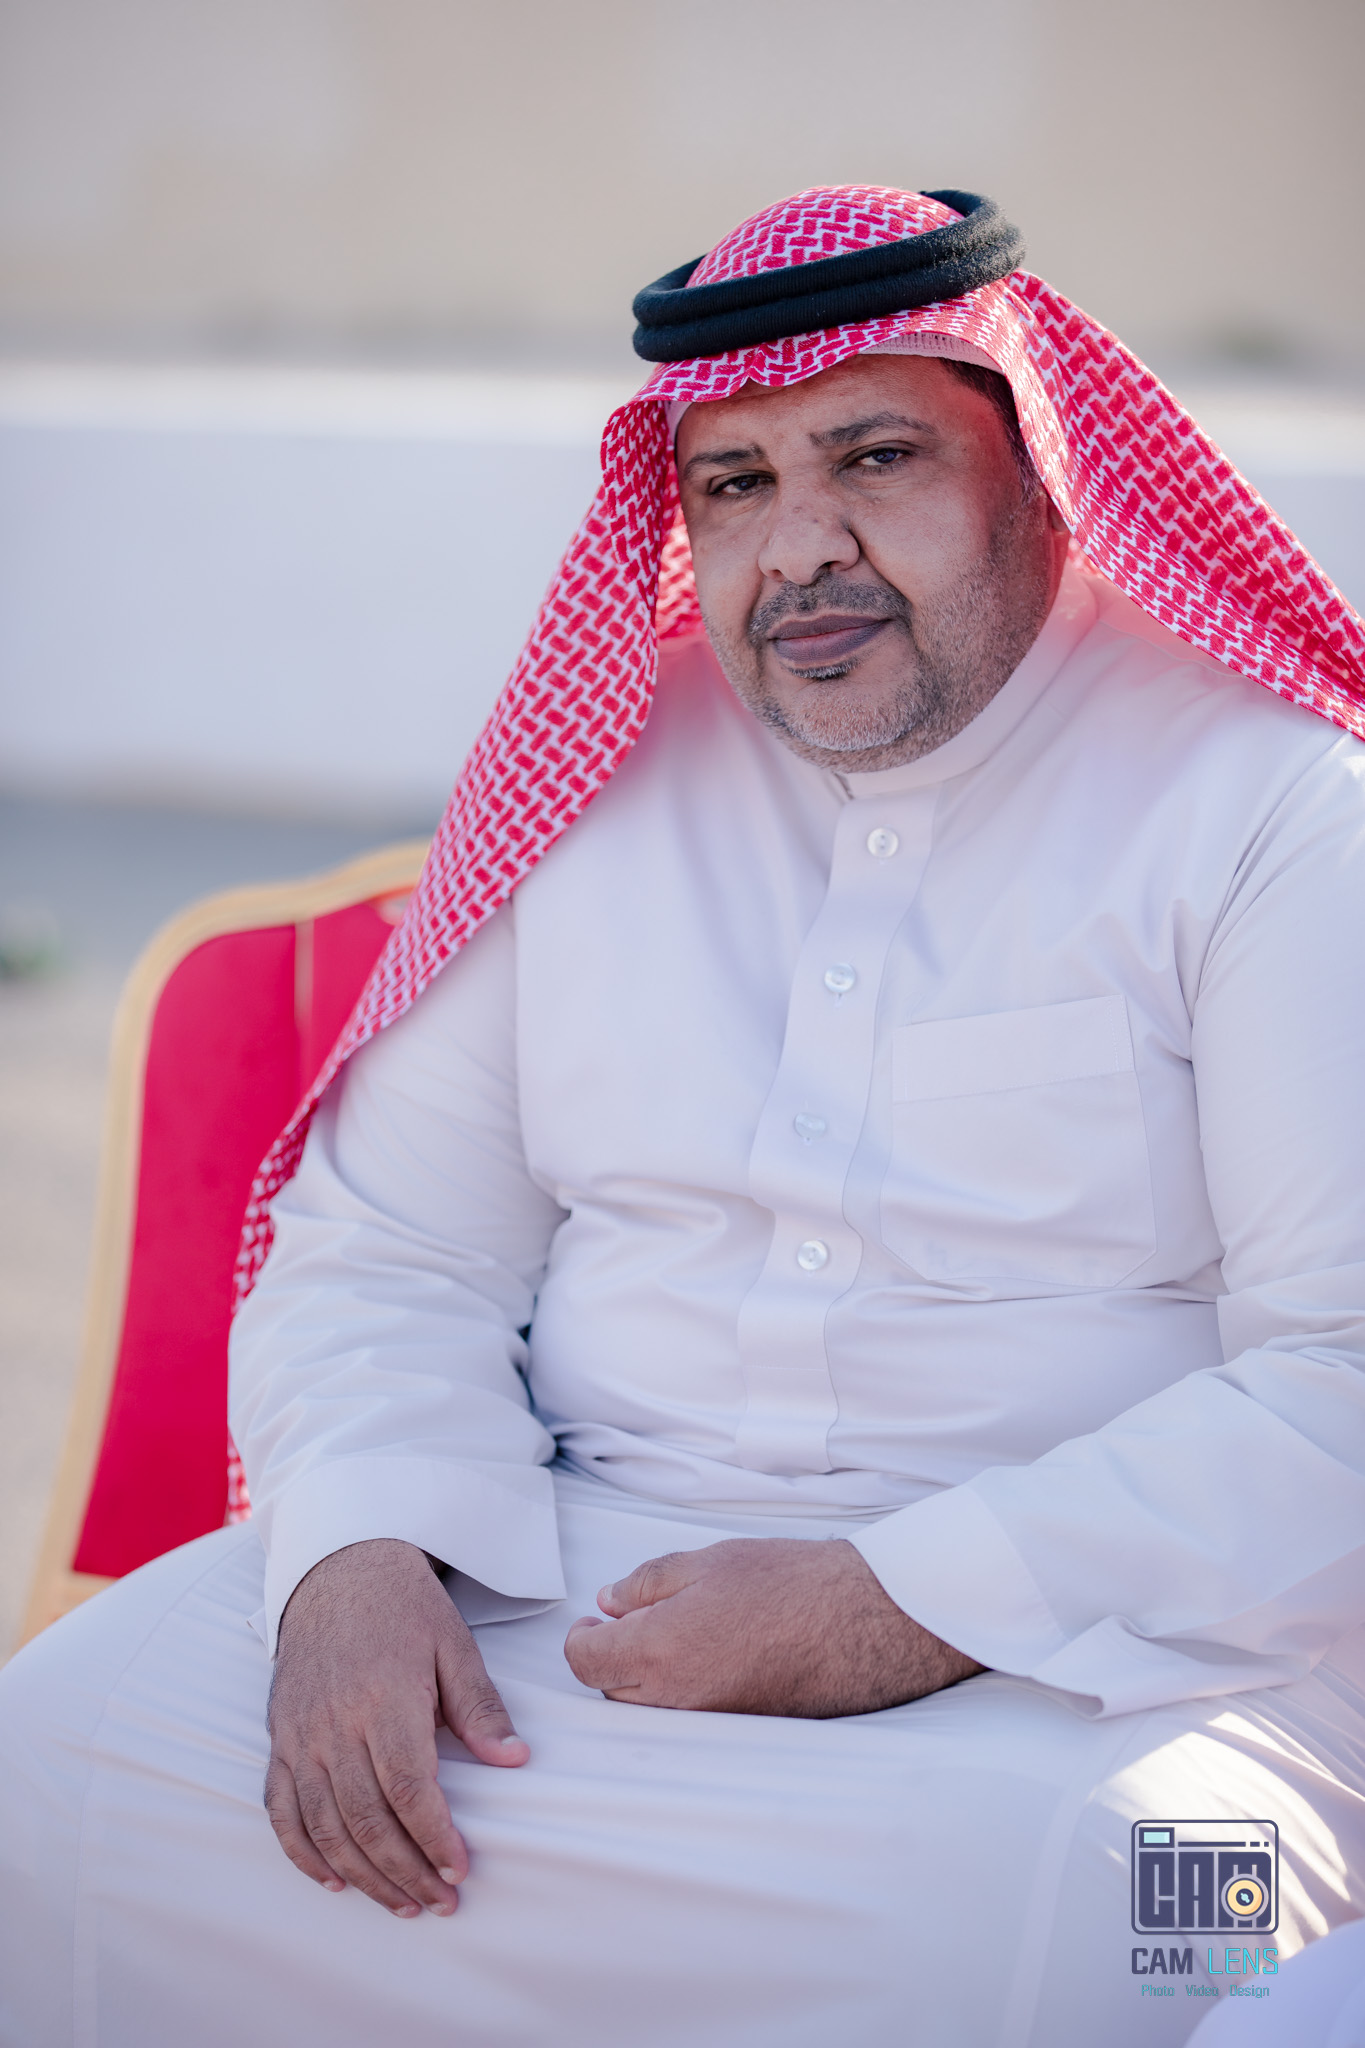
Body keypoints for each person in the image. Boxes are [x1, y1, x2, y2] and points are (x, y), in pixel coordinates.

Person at [2, 185, 1364, 2048]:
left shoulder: (1272, 808)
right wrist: (357, 1552)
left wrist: (891, 1604)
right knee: (53, 1774)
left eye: (873, 457)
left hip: (1104, 1657)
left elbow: (1341, 1375)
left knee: (1107, 1933)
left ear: (1041, 467)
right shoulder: (596, 771)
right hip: (538, 1584)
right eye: (733, 483)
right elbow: (391, 1244)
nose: (801, 548)